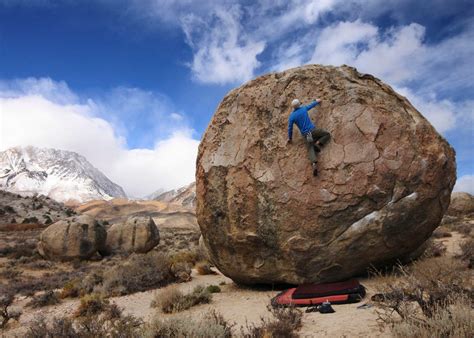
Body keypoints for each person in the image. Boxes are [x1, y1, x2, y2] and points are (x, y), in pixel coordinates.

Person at [287, 98, 331, 176]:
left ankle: (314, 164)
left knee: (310, 148)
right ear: (299, 104)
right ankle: (318, 143)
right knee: (327, 134)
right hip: (313, 131)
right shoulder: (303, 109)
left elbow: (290, 128)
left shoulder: (292, 117)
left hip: (305, 135)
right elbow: (311, 105)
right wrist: (317, 101)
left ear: (293, 107)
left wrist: (290, 138)